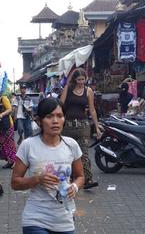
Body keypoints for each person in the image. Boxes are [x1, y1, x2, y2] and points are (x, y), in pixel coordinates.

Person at [11, 97, 85, 234]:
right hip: (36, 218)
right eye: (49, 116)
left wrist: (74, 186)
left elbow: (80, 176)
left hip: (64, 220)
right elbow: (15, 183)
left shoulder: (71, 145)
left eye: (59, 116)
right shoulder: (28, 145)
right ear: (39, 121)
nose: (55, 121)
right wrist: (37, 179)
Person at [60, 68, 101, 189]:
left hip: (83, 125)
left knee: (84, 153)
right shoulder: (68, 88)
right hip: (68, 126)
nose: (81, 82)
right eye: (79, 79)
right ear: (74, 79)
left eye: (83, 79)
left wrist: (97, 127)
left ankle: (88, 179)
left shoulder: (88, 91)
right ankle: (69, 178)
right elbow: (60, 105)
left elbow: (92, 109)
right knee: (68, 154)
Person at [0, 92, 17, 169]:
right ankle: (9, 161)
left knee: (10, 143)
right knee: (3, 143)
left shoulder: (4, 98)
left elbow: (9, 109)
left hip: (7, 124)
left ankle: (15, 161)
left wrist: (2, 114)